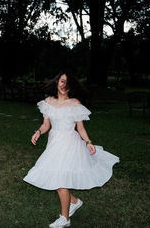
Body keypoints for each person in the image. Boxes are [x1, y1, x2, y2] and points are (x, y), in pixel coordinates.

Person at [23, 71, 119, 228]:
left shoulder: (75, 104)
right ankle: (74, 201)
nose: (64, 85)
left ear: (71, 87)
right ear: (56, 82)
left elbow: (80, 128)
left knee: (60, 180)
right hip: (54, 143)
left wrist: (88, 141)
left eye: (67, 83)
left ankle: (65, 218)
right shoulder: (48, 102)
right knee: (54, 176)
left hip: (70, 143)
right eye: (62, 81)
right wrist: (38, 132)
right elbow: (46, 124)